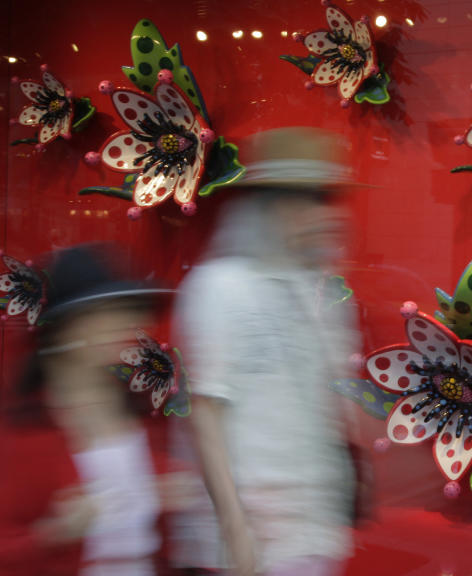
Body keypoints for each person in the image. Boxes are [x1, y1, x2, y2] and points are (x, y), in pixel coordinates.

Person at [170, 127, 360, 576]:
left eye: (322, 199)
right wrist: (234, 528)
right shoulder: (220, 286)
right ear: (270, 207)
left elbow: (330, 406)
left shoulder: (324, 294)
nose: (318, 214)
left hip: (313, 525)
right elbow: (207, 414)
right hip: (250, 536)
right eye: (303, 199)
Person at [0, 244, 177, 576]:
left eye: (129, 311)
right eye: (108, 312)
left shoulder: (144, 412)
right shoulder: (24, 431)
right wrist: (55, 533)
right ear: (68, 327)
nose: (128, 324)